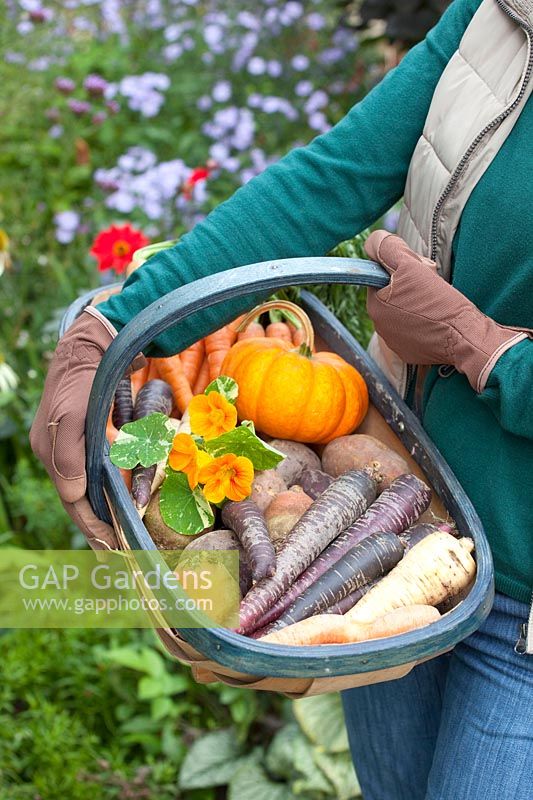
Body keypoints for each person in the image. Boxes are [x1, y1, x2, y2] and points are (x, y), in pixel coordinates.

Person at [30, 0, 533, 797]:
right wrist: (114, 327)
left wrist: (485, 350)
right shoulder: (502, 18)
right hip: (396, 530)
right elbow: (331, 179)